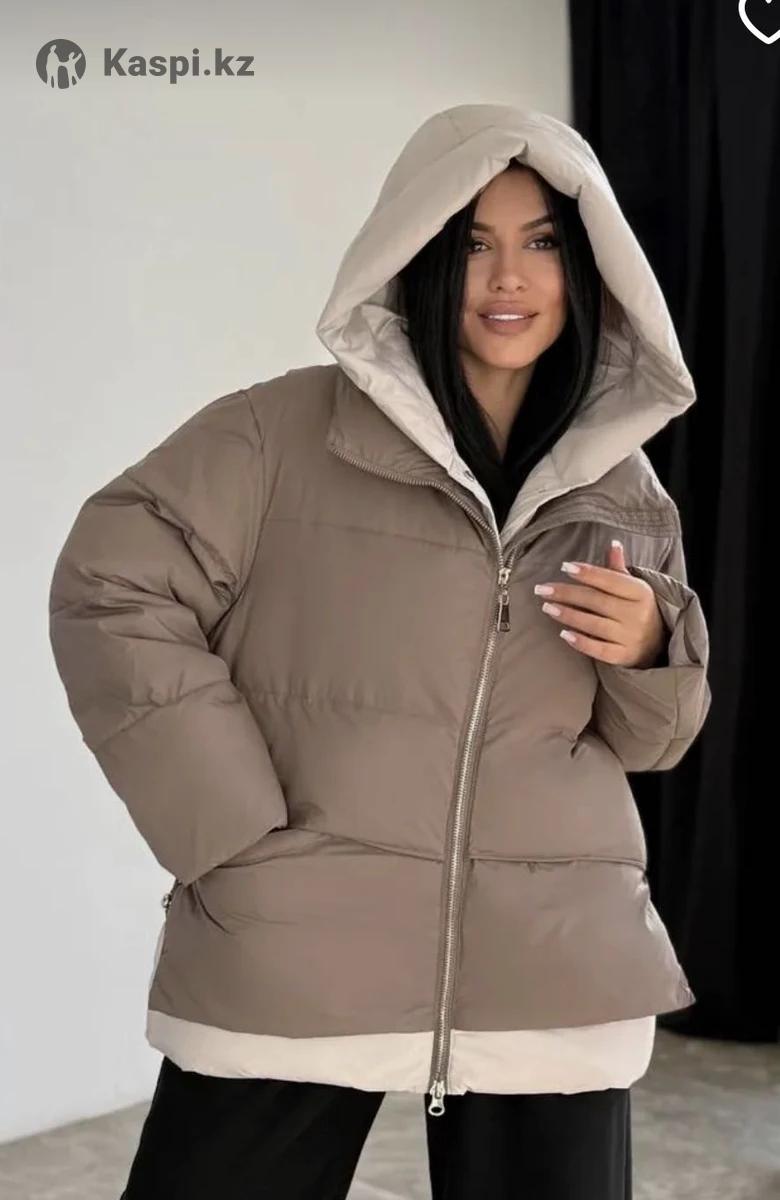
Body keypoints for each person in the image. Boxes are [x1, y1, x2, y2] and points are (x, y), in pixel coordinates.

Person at [48, 104, 712, 1199]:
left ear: (589, 266)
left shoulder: (622, 482)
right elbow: (110, 582)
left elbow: (650, 743)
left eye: (543, 241)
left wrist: (650, 649)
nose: (509, 277)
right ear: (418, 255)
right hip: (302, 933)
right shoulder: (276, 435)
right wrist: (232, 828)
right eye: (473, 243)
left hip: (551, 955)